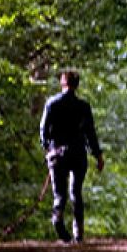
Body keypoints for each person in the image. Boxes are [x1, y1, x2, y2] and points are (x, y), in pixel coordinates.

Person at [39, 70, 104, 243]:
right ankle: (78, 233)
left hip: (57, 153)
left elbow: (43, 131)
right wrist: (98, 155)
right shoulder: (83, 106)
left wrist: (48, 149)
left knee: (59, 194)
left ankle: (58, 220)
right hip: (77, 153)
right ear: (77, 85)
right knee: (76, 192)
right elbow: (90, 133)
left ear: (63, 82)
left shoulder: (52, 104)